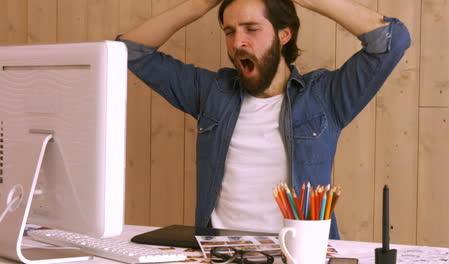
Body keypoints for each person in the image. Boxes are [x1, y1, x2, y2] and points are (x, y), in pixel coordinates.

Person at [117, 0, 410, 239]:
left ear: (284, 35)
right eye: (229, 31)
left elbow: (392, 40)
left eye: (251, 29)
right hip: (218, 254)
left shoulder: (324, 98)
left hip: (299, 255)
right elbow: (128, 51)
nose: (238, 42)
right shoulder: (211, 93)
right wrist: (199, 5)